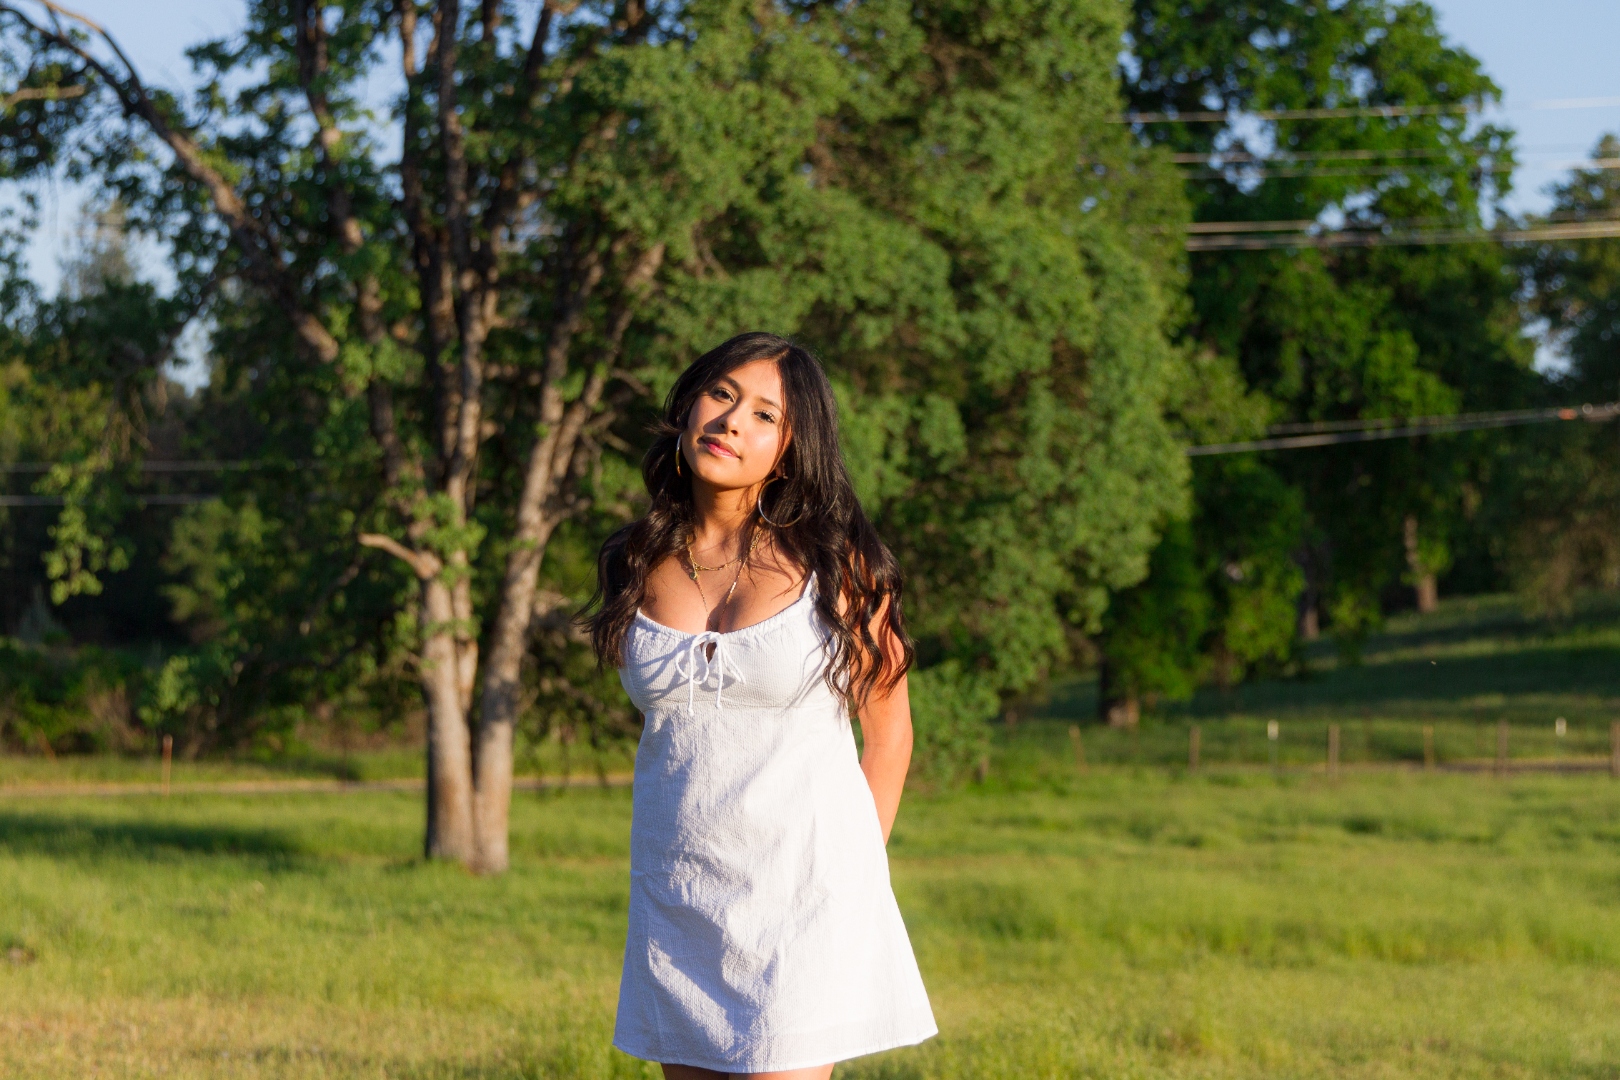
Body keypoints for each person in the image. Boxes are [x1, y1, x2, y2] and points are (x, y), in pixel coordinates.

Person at [587, 332, 937, 1079]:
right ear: (688, 407)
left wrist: (850, 879)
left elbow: (890, 734)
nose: (733, 421)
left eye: (765, 415)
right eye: (722, 395)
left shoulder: (838, 563)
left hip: (806, 902)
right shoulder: (635, 560)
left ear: (790, 447)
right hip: (679, 901)